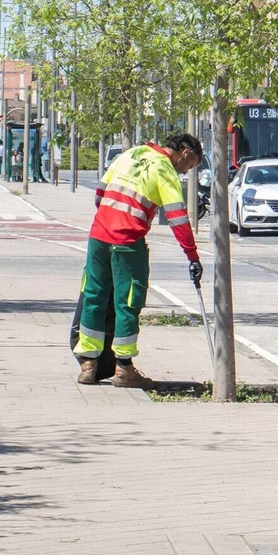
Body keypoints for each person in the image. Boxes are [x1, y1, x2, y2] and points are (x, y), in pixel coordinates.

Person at [74, 133, 204, 389]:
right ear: (186, 153)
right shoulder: (163, 169)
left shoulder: (131, 154)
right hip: (128, 242)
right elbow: (177, 217)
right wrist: (192, 256)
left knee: (94, 296)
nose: (185, 172)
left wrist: (109, 221)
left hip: (98, 236)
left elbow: (100, 194)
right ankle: (124, 368)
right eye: (189, 167)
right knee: (128, 302)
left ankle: (88, 365)